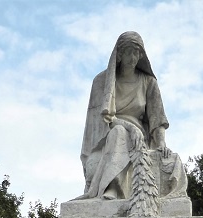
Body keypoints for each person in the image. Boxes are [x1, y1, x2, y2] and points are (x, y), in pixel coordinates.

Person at [79, 31, 187, 204]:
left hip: (140, 139)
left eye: (137, 52)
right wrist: (128, 127)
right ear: (120, 54)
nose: (133, 57)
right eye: (129, 52)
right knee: (119, 133)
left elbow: (157, 118)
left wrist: (161, 144)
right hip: (109, 135)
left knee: (171, 161)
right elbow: (100, 120)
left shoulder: (148, 82)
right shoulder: (101, 82)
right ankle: (112, 188)